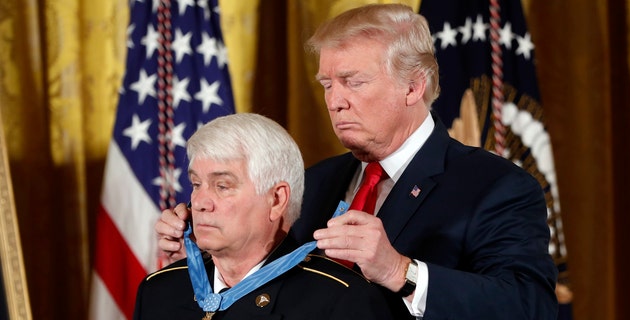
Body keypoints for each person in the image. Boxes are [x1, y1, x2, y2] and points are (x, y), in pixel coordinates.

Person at [155, 4, 558, 319]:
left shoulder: (496, 186)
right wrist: (203, 256)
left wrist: (401, 271)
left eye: (354, 82)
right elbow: (268, 290)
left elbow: (530, 307)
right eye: (328, 84)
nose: (335, 101)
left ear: (413, 86)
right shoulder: (313, 182)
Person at [134, 113, 393, 319]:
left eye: (222, 186)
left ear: (276, 200)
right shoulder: (160, 290)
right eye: (196, 184)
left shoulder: (341, 301)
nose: (199, 202)